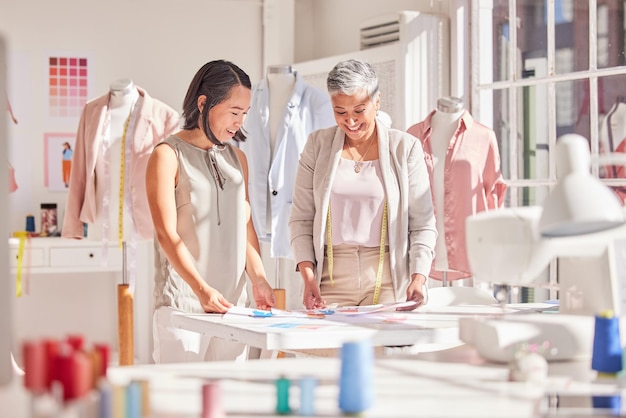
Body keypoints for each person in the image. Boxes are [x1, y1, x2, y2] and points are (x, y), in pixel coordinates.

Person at [146, 60, 276, 363]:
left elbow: (244, 228)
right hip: (183, 304)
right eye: (234, 112)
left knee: (230, 401)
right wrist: (202, 290)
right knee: (178, 404)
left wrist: (259, 279)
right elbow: (167, 234)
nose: (239, 123)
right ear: (203, 103)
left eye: (244, 114)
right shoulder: (166, 155)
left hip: (232, 306)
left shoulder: (238, 159)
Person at [289, 58, 437, 311]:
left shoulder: (405, 148)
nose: (351, 121)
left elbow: (422, 223)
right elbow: (301, 219)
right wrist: (308, 276)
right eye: (340, 112)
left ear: (376, 102)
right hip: (329, 280)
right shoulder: (317, 146)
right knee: (330, 349)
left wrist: (418, 277)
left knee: (380, 349)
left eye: (359, 110)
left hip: (388, 276)